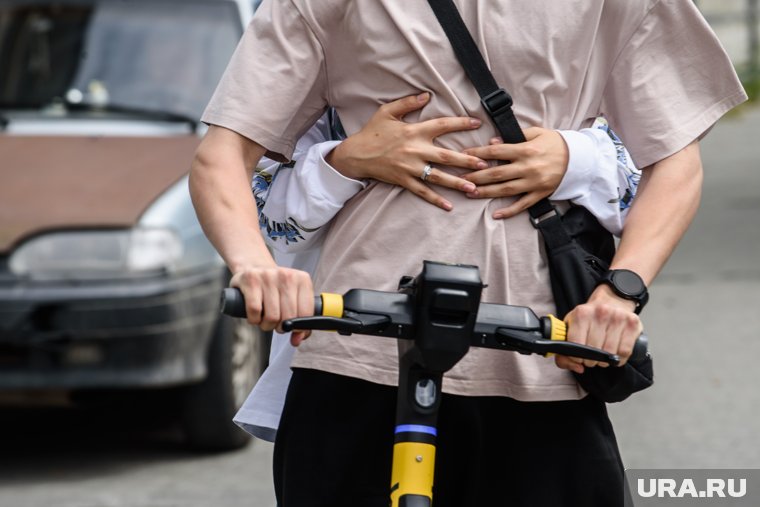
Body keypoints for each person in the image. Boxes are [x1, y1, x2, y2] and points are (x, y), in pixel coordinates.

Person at [190, 1, 746, 505]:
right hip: (358, 352)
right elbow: (222, 154)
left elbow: (674, 158)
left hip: (542, 355)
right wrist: (255, 265)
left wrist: (620, 293)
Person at [234, 96, 641, 442]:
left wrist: (574, 159)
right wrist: (346, 161)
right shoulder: (335, 48)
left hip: (538, 361)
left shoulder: (576, 61)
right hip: (352, 357)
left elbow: (656, 171)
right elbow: (274, 221)